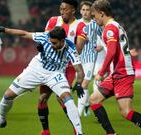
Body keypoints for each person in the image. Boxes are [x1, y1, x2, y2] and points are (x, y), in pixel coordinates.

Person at [0, 26, 85, 135]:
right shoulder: (45, 37)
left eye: (55, 43)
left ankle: (80, 132)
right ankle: (1, 121)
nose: (51, 45)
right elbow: (24, 33)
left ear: (62, 41)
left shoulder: (70, 48)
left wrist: (79, 84)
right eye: (50, 42)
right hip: (36, 69)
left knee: (68, 99)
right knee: (8, 95)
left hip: (55, 73)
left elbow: (79, 71)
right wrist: (2, 30)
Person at [90, 0, 141, 135]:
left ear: (101, 13)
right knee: (94, 100)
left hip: (123, 74)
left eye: (94, 15)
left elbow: (112, 52)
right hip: (116, 74)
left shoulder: (109, 28)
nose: (94, 18)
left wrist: (101, 72)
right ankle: (111, 133)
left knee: (126, 111)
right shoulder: (116, 26)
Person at [38, 0, 87, 134]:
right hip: (50, 66)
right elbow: (46, 40)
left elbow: (78, 49)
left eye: (65, 9)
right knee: (42, 98)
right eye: (61, 8)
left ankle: (76, 130)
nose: (62, 11)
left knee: (62, 98)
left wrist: (62, 52)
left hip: (67, 67)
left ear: (73, 10)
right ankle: (46, 131)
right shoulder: (53, 21)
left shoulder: (80, 25)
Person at [77, 1, 102, 117]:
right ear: (80, 11)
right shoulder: (76, 24)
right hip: (78, 59)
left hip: (91, 58)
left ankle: (77, 114)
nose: (85, 12)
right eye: (83, 10)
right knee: (81, 84)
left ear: (91, 11)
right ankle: (86, 103)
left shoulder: (95, 24)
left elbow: (104, 37)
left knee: (84, 84)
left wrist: (101, 45)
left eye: (88, 10)